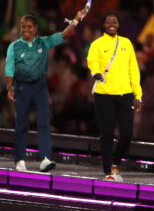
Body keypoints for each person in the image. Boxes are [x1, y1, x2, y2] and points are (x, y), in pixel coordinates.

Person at [6, 10, 87, 172]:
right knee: (22, 124)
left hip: (40, 87)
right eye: (23, 27)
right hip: (22, 87)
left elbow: (64, 34)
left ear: (36, 29)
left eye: (29, 26)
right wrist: (9, 87)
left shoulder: (44, 43)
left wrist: (76, 19)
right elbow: (9, 69)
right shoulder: (14, 46)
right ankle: (20, 160)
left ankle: (45, 159)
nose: (26, 29)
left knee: (44, 124)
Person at [87, 12, 142, 181]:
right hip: (104, 95)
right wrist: (95, 73)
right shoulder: (97, 44)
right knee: (107, 134)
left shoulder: (126, 43)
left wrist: (138, 95)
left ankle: (115, 163)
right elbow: (92, 61)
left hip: (125, 95)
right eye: (108, 21)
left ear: (118, 25)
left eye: (115, 21)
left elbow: (133, 70)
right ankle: (108, 172)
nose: (111, 23)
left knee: (127, 135)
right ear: (103, 25)